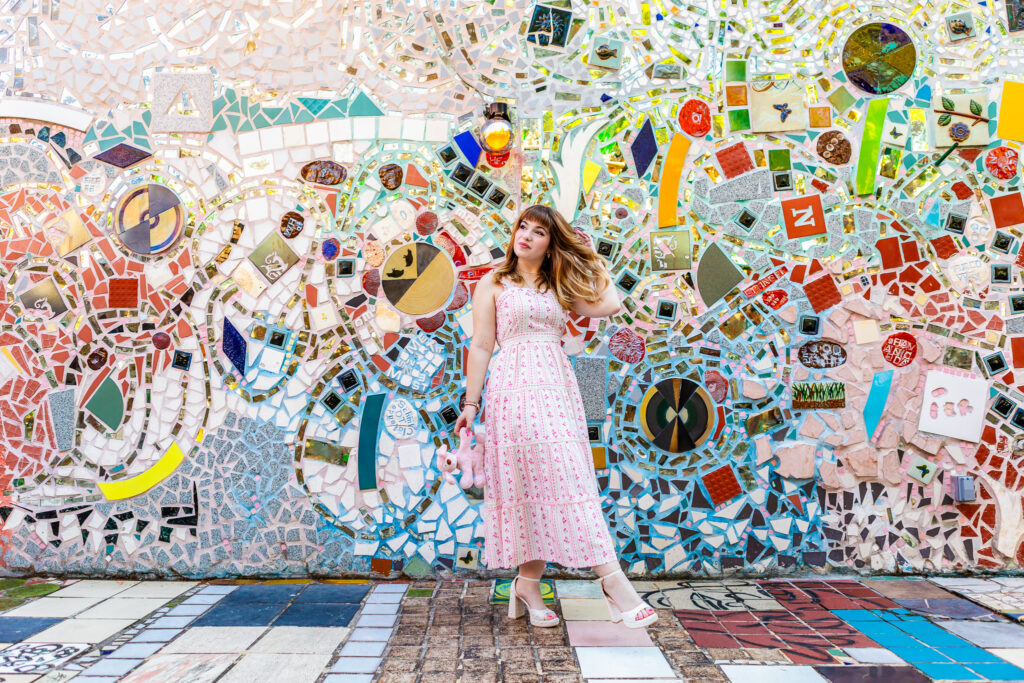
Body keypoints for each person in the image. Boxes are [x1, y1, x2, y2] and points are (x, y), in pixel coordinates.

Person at [454, 204, 657, 629]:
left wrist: (586, 256)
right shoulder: (494, 281)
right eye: (522, 227)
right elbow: (481, 346)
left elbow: (611, 304)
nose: (525, 236)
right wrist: (471, 405)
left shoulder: (558, 283)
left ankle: (531, 583)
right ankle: (609, 584)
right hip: (513, 389)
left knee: (566, 477)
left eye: (538, 232)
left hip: (556, 386)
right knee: (534, 484)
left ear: (551, 244)